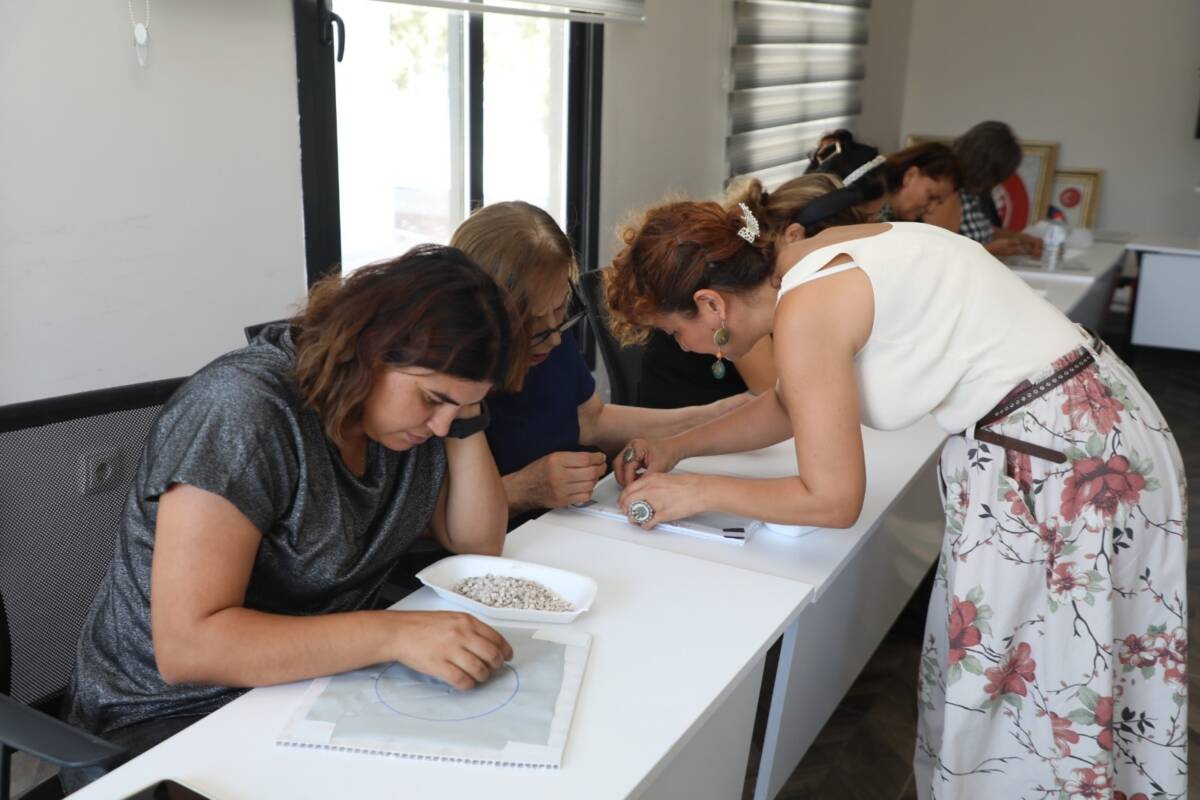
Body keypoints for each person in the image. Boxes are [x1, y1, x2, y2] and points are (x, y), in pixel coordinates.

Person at [602, 177, 1187, 799]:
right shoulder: (813, 262)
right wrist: (678, 446)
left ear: (710, 304)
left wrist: (694, 492)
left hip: (1064, 466)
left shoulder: (807, 309)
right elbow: (788, 402)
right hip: (1087, 430)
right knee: (1035, 673)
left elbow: (832, 500)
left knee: (1036, 686)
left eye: (674, 331)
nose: (683, 347)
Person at [63, 246, 518, 791]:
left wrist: (466, 417)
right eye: (433, 398)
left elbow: (477, 543)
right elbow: (188, 647)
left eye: (462, 408)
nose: (441, 426)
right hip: (171, 721)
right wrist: (392, 634)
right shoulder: (243, 410)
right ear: (369, 347)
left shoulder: (407, 424)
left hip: (311, 688)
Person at [448, 201, 748, 521]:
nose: (554, 339)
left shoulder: (552, 337)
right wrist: (520, 490)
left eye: (560, 310)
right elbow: (423, 521)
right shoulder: (446, 382)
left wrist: (713, 416)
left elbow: (591, 421)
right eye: (533, 326)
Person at [928, 120, 1043, 259]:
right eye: (995, 177)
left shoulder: (972, 192)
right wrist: (990, 250)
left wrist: (1020, 238)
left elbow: (980, 229)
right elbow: (940, 252)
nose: (995, 184)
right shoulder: (946, 192)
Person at [806, 130, 961, 224]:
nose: (931, 209)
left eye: (939, 202)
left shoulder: (905, 222)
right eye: (931, 196)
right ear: (910, 175)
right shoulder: (872, 197)